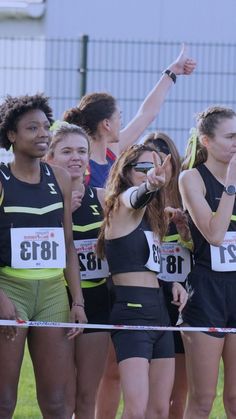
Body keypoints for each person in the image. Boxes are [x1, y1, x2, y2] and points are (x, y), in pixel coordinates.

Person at [0, 94, 86, 419]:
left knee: (56, 403)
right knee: (4, 401)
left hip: (52, 294)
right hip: (11, 291)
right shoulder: (2, 179)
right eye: (31, 128)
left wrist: (77, 302)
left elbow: (67, 243)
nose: (42, 134)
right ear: (11, 134)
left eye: (46, 127)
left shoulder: (59, 177)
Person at [97, 144, 188, 419]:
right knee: (136, 410)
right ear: (126, 172)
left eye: (156, 166)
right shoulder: (122, 205)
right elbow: (134, 197)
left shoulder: (154, 218)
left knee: (159, 410)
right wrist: (148, 186)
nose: (152, 172)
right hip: (132, 312)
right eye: (144, 168)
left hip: (160, 313)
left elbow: (149, 268)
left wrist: (170, 284)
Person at [46, 121, 110, 419]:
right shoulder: (42, 199)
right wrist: (63, 214)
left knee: (86, 397)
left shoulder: (101, 196)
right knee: (62, 398)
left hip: (96, 301)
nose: (76, 157)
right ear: (50, 157)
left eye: (82, 151)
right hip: (54, 301)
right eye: (67, 151)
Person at [63, 43, 196, 188]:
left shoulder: (110, 152)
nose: (121, 122)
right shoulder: (81, 165)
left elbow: (147, 114)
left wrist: (173, 71)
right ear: (106, 124)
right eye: (119, 116)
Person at [179, 106, 236, 418]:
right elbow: (214, 235)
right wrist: (230, 183)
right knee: (203, 399)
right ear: (206, 141)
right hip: (207, 290)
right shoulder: (191, 179)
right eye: (230, 137)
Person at [144, 131, 192, 419]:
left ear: (174, 161)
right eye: (150, 163)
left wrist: (184, 227)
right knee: (150, 388)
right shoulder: (141, 198)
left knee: (180, 389)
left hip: (186, 296)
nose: (159, 167)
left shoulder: (189, 193)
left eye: (164, 160)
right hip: (151, 294)